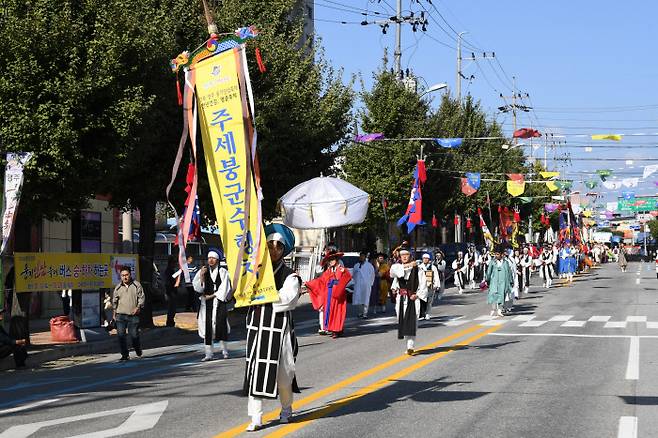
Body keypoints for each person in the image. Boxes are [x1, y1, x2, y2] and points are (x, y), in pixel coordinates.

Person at [244, 224, 302, 431]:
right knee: (255, 371)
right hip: (258, 328)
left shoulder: (290, 275)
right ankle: (256, 417)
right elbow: (242, 293)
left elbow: (288, 299)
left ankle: (286, 409)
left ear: (284, 249)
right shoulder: (253, 270)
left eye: (279, 245)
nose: (274, 249)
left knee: (284, 375)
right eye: (271, 244)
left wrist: (264, 295)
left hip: (280, 330)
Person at [192, 249, 232, 361]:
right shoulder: (203, 271)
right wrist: (201, 276)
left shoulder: (223, 272)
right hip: (206, 303)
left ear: (217, 260)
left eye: (213, 258)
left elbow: (225, 287)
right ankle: (208, 354)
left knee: (221, 325)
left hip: (219, 302)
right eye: (209, 258)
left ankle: (225, 351)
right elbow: (198, 288)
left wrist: (214, 295)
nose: (211, 260)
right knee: (207, 327)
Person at [306, 247, 352, 338]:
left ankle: (337, 329)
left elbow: (348, 277)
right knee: (329, 312)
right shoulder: (328, 271)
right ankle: (333, 329)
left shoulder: (342, 269)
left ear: (336, 259)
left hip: (338, 294)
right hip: (329, 294)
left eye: (332, 259)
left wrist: (339, 287)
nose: (331, 261)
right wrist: (309, 284)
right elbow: (321, 281)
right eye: (329, 260)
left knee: (338, 312)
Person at [390, 247, 425, 355]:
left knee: (412, 321)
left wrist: (417, 295)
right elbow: (395, 275)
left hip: (413, 299)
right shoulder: (397, 267)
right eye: (402, 255)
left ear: (410, 256)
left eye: (407, 255)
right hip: (401, 299)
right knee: (403, 321)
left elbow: (423, 284)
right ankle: (407, 343)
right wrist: (394, 288)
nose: (404, 257)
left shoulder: (418, 270)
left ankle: (410, 345)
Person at [112, 266, 145, 361]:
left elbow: (141, 298)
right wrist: (114, 314)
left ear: (130, 275)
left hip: (133, 315)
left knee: (134, 334)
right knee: (121, 335)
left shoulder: (136, 285)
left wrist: (138, 307)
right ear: (120, 276)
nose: (125, 277)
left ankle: (137, 348)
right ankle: (124, 354)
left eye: (126, 275)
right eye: (122, 275)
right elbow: (115, 302)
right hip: (120, 315)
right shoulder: (118, 288)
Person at [485, 246, 514, 317]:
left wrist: (511, 281)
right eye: (495, 254)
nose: (496, 255)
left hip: (503, 281)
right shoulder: (492, 262)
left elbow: (509, 272)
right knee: (493, 294)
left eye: (498, 254)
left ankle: (500, 310)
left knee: (502, 295)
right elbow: (489, 272)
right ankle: (494, 309)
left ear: (501, 254)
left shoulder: (505, 263)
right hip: (494, 281)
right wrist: (487, 280)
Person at [352, 251, 376, 319]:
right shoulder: (356, 265)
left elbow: (372, 275)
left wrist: (371, 283)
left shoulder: (369, 265)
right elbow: (354, 275)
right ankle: (360, 312)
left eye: (363, 256)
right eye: (360, 256)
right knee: (358, 298)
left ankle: (365, 313)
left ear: (365, 257)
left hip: (366, 285)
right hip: (358, 284)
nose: (361, 257)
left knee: (366, 298)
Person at [417, 253, 440, 320]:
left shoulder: (433, 267)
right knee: (421, 300)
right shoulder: (419, 267)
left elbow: (436, 276)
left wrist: (437, 285)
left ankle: (427, 313)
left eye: (426, 258)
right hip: (421, 287)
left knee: (429, 301)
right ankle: (421, 314)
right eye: (424, 258)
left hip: (430, 287)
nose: (425, 260)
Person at [164, 256, 178, 327]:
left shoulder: (170, 270)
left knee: (172, 308)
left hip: (172, 291)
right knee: (171, 308)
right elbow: (168, 282)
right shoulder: (169, 271)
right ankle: (170, 322)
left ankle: (170, 321)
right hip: (171, 292)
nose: (175, 264)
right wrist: (169, 292)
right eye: (174, 262)